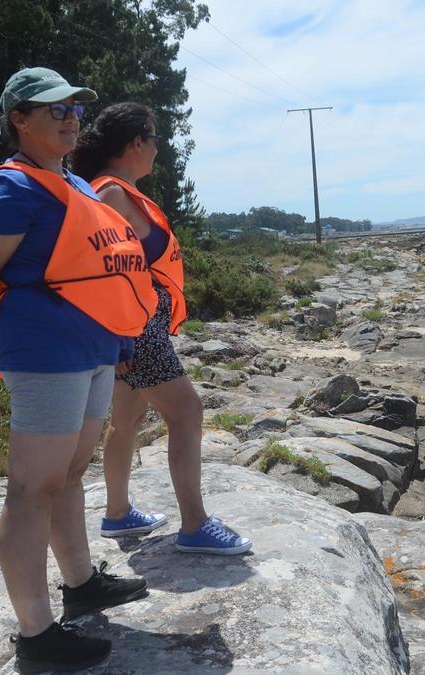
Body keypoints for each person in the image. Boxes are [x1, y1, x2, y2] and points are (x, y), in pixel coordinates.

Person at [0, 68, 157, 674]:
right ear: (20, 119)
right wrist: (13, 347)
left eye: (73, 109)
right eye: (54, 110)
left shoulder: (79, 186)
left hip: (95, 350)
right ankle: (37, 634)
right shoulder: (9, 190)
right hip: (46, 355)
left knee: (70, 473)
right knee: (31, 488)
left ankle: (82, 582)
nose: (70, 118)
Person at [70, 103, 251, 555]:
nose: (157, 149)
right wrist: (121, 335)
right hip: (134, 327)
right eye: (155, 140)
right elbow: (101, 271)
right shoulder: (110, 194)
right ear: (136, 143)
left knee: (127, 419)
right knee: (187, 412)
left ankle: (117, 514)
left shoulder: (113, 190)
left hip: (131, 326)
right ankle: (195, 525)